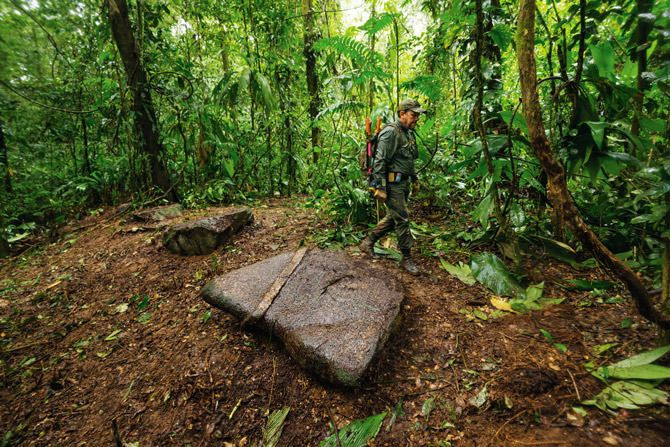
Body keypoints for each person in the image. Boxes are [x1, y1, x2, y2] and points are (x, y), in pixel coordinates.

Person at [359, 98, 425, 275]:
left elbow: (408, 160)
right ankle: (406, 257)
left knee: (394, 216)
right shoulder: (391, 133)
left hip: (403, 183)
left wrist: (415, 179)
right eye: (413, 115)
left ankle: (367, 242)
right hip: (391, 183)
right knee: (402, 219)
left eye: (418, 116)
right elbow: (380, 161)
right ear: (402, 114)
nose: (416, 119)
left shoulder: (409, 133)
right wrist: (380, 187)